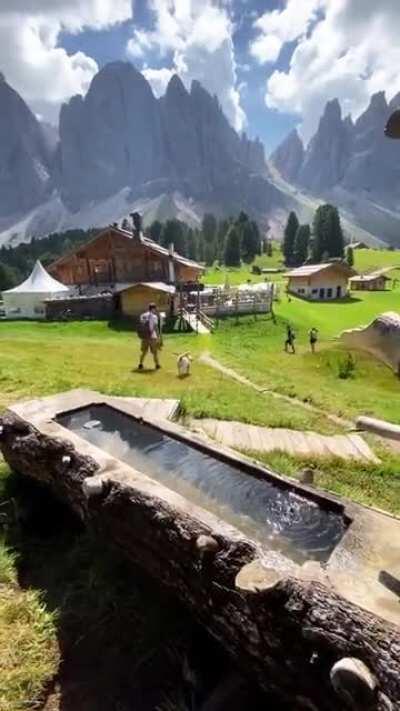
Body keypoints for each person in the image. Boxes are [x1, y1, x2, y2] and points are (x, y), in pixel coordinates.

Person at [137, 302, 162, 370]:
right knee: (155, 352)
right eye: (155, 309)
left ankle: (140, 364)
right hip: (152, 336)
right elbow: (156, 327)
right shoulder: (154, 316)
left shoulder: (143, 315)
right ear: (153, 309)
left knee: (144, 352)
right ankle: (157, 365)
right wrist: (158, 337)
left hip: (144, 336)